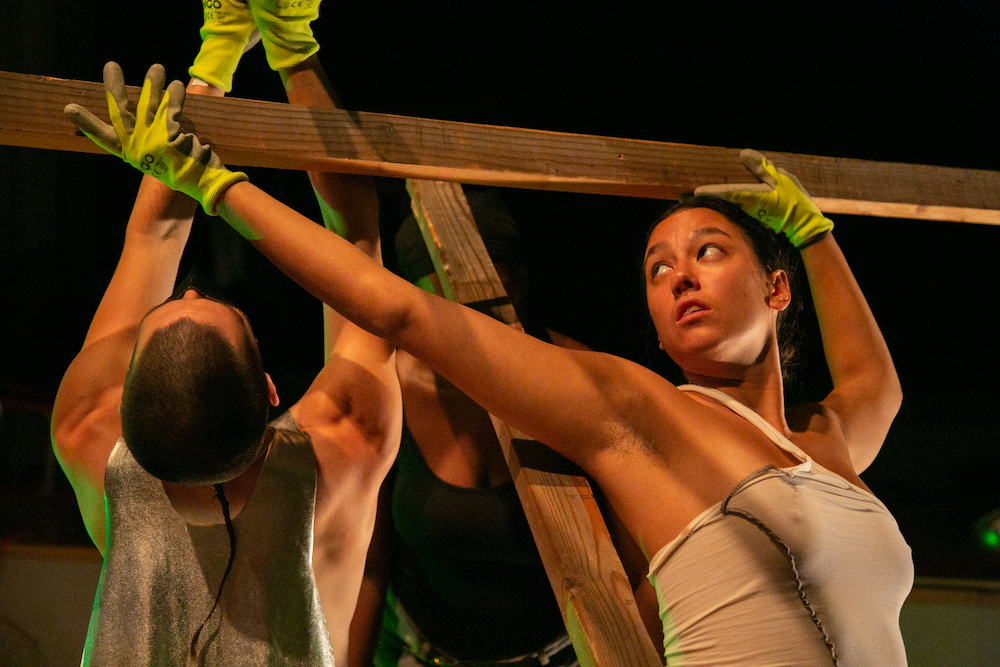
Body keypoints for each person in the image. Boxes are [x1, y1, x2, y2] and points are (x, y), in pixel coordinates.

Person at [66, 51, 914, 663]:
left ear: (776, 289)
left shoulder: (826, 446)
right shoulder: (638, 407)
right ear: (655, 334)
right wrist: (219, 184)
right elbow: (391, 301)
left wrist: (815, 234)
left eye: (708, 252)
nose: (680, 275)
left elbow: (876, 385)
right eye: (658, 268)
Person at [53, 14, 400, 663]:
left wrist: (216, 58)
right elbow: (355, 244)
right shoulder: (344, 443)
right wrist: (292, 47)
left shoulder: (84, 428)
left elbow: (150, 239)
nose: (188, 291)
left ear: (121, 405)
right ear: (270, 390)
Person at [349, 192, 602, 667]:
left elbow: (637, 560)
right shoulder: (387, 386)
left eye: (486, 310)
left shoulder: (580, 378)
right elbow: (368, 557)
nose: (469, 333)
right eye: (442, 311)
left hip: (562, 654)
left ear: (519, 285)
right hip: (419, 649)